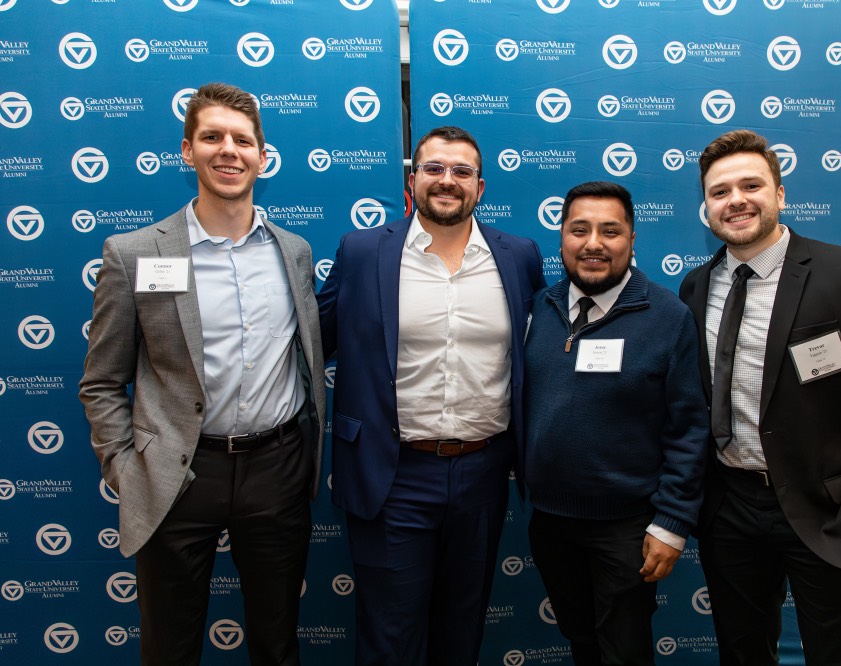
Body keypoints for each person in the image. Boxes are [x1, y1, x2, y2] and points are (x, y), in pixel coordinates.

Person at [79, 82, 325, 665]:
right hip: (178, 475)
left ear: (263, 157)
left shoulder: (294, 252)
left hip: (276, 469)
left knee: (276, 641)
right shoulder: (135, 252)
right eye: (212, 137)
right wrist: (126, 466)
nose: (228, 150)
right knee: (169, 646)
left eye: (243, 140)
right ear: (187, 150)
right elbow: (101, 380)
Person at [678, 129, 841, 665]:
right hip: (731, 509)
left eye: (751, 185)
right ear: (706, 207)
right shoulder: (696, 287)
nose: (736, 200)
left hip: (834, 508)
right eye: (720, 192)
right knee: (743, 652)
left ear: (780, 194)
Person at [316, 125, 545, 666]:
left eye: (462, 171)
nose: (448, 181)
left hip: (483, 473)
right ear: (411, 180)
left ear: (480, 187)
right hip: (390, 472)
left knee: (462, 628)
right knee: (389, 635)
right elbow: (311, 341)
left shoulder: (518, 257)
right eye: (435, 169)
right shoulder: (362, 251)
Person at [524, 181, 710, 665]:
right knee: (581, 641)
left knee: (623, 652)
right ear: (561, 237)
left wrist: (671, 524)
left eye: (610, 231)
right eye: (579, 229)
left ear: (631, 239)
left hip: (627, 528)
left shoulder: (667, 317)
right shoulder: (538, 310)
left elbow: (689, 428)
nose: (593, 244)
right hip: (551, 522)